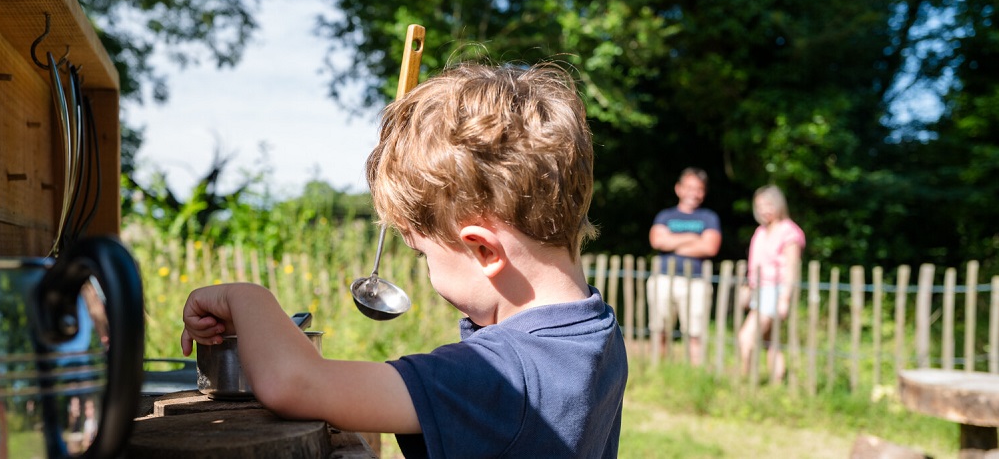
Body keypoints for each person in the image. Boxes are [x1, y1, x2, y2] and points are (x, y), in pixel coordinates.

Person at [180, 63, 627, 458]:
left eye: (422, 254)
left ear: (485, 251)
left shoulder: (499, 377)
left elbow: (295, 383)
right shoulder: (597, 333)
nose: (423, 267)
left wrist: (244, 298)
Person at [647, 167, 722, 365]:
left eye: (699, 189)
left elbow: (710, 247)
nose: (693, 193)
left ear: (703, 192)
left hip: (696, 283)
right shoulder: (665, 216)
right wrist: (692, 238)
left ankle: (695, 373)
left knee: (696, 332)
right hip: (663, 279)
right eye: (689, 187)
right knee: (660, 329)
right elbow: (657, 241)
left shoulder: (709, 218)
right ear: (678, 189)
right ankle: (658, 370)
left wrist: (673, 242)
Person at [737, 184, 805, 383]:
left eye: (768, 204)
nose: (763, 210)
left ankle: (744, 380)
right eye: (759, 206)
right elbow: (754, 264)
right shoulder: (760, 231)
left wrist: (784, 298)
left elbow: (791, 268)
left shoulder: (789, 232)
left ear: (779, 204)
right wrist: (748, 287)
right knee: (771, 341)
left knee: (746, 336)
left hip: (775, 291)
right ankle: (776, 384)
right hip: (759, 290)